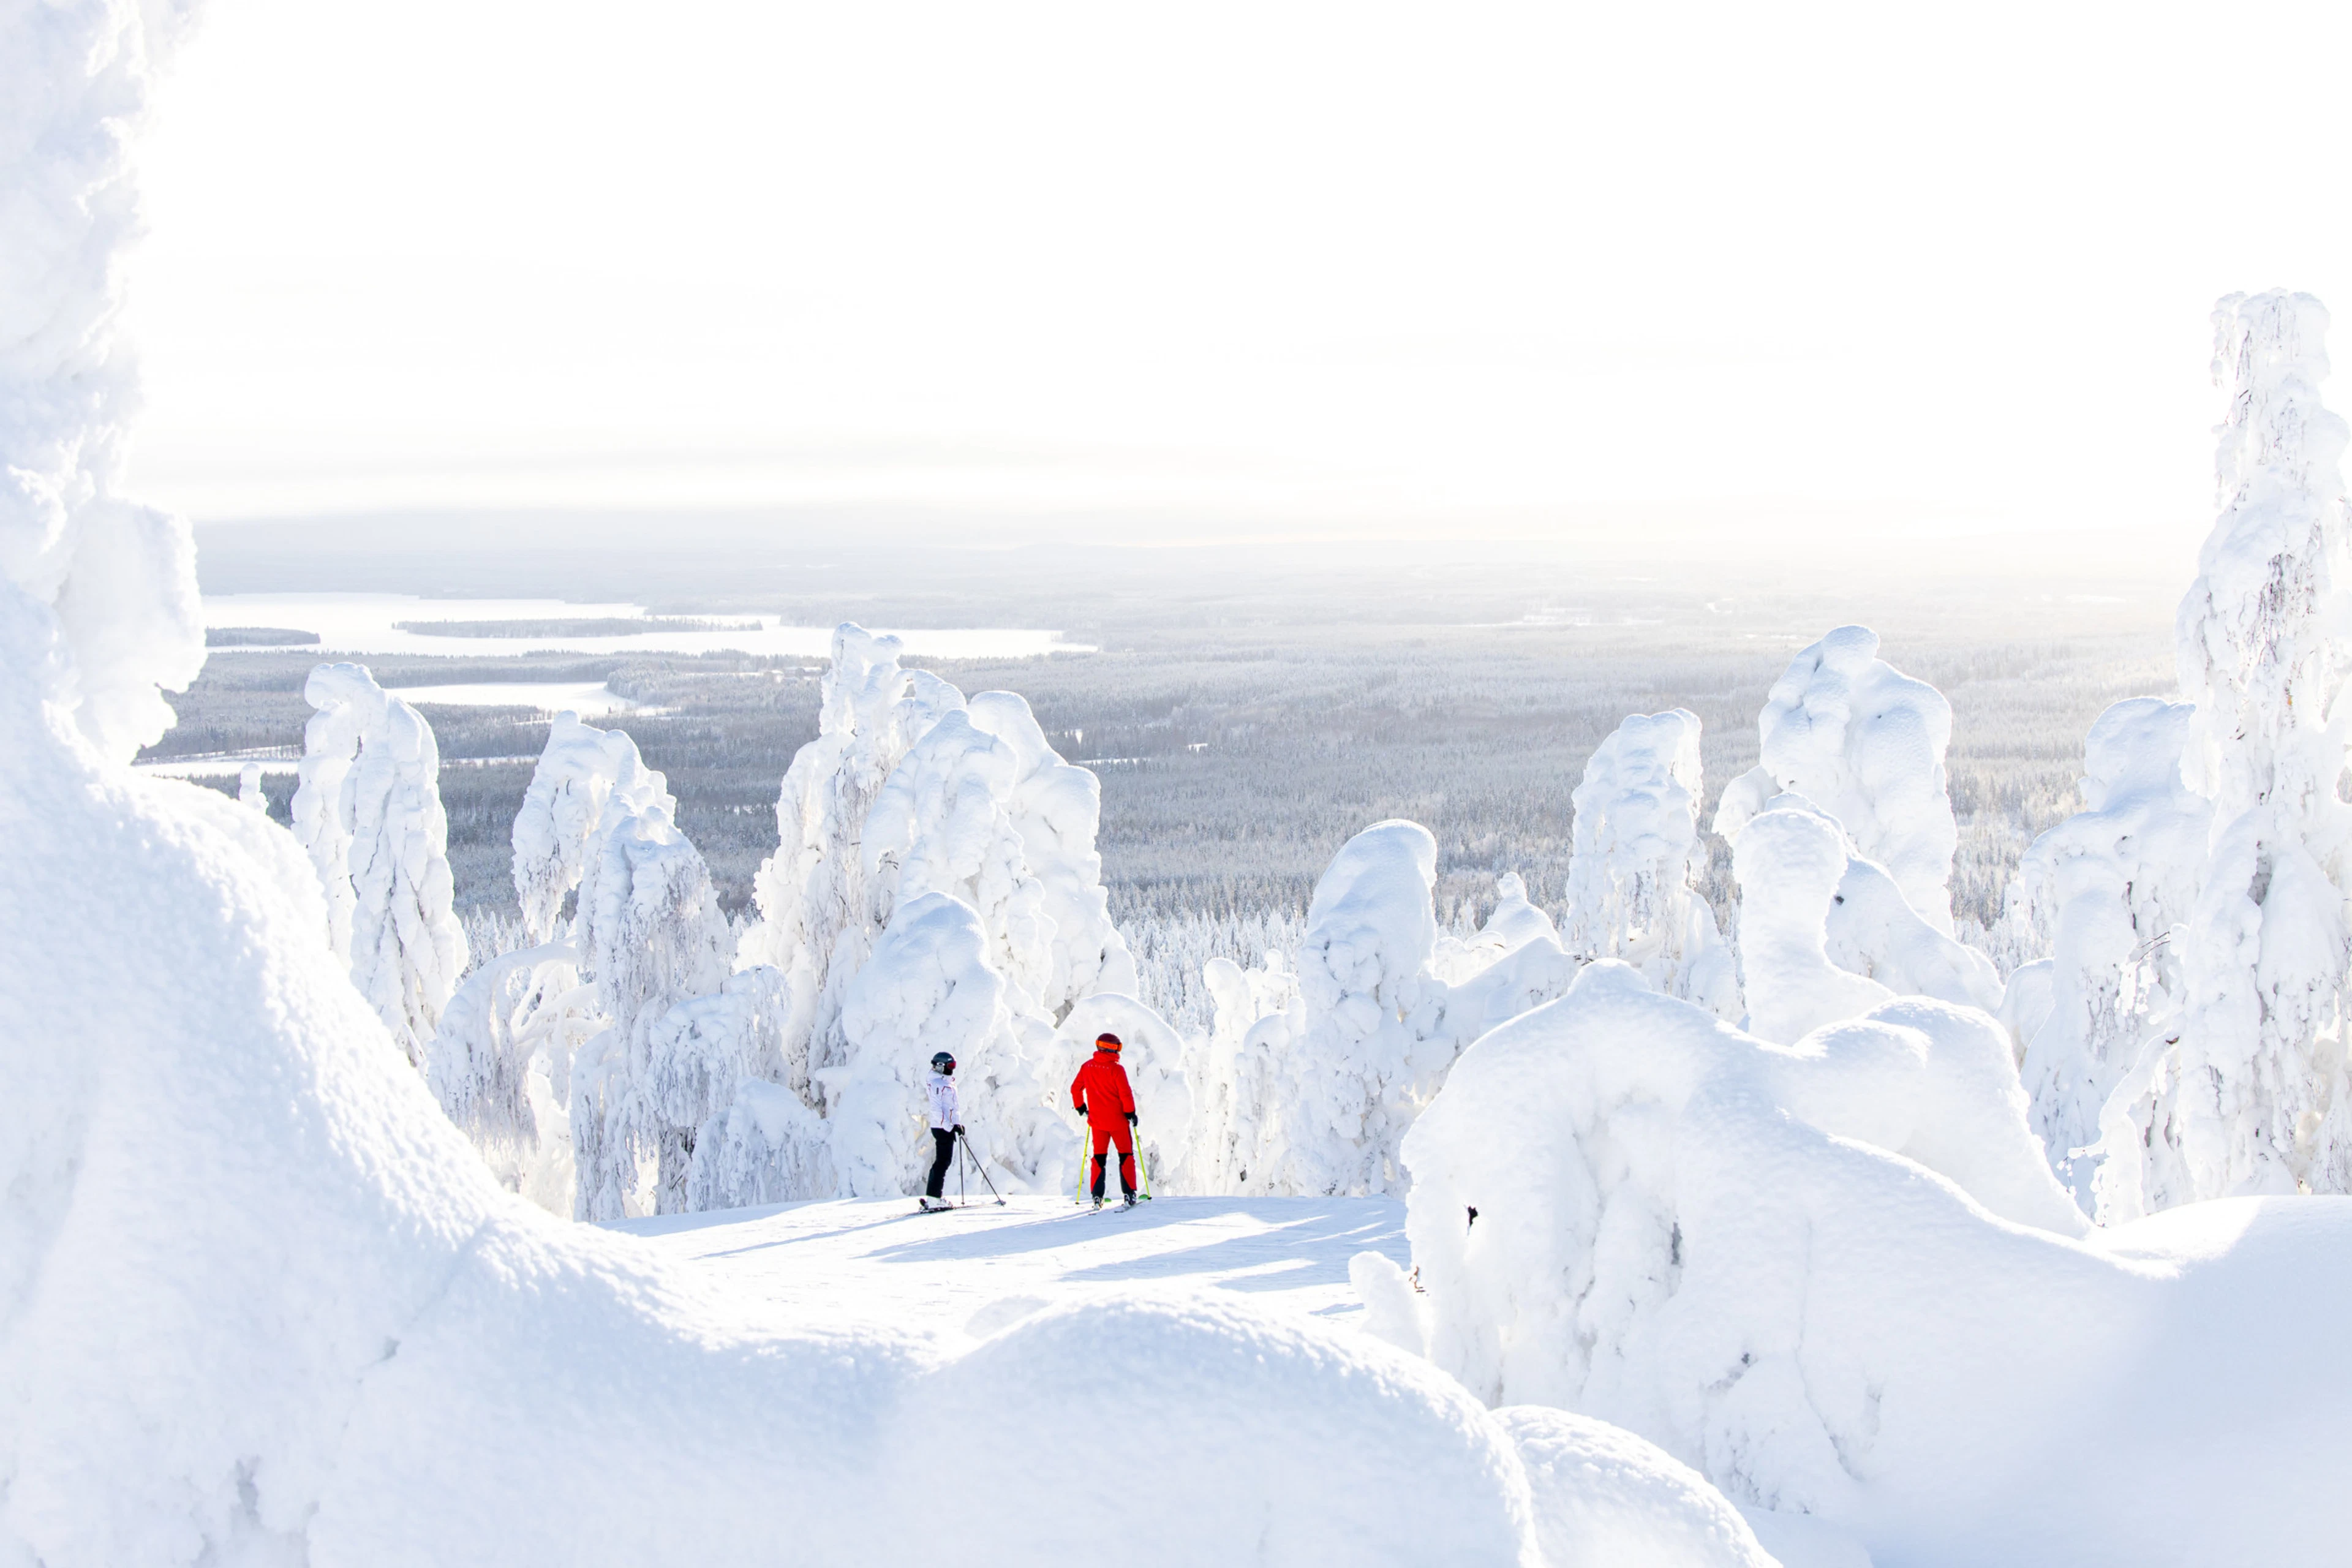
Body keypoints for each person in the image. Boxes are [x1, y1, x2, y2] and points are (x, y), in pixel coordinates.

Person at [1069, 1032, 1140, 1207]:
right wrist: (1131, 1113)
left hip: (1098, 1123)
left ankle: (1097, 1197)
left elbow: (1075, 1089)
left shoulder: (1088, 1067)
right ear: (1113, 1049)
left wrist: (1081, 1108)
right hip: (1118, 1123)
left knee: (1099, 1158)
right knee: (1126, 1156)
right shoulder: (1117, 1070)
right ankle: (1129, 1195)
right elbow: (1125, 1094)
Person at [921, 1050, 963, 1211]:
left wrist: (956, 1124)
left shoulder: (944, 1082)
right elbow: (937, 1109)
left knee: (943, 1162)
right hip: (941, 1127)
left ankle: (934, 1197)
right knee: (942, 1162)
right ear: (940, 1066)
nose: (952, 1068)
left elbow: (951, 1107)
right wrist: (949, 1126)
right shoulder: (938, 1085)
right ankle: (934, 1198)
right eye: (950, 1065)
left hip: (944, 1126)